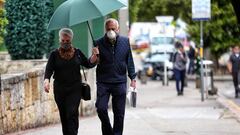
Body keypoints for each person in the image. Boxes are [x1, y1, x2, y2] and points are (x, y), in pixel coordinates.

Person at [43, 28, 99, 135]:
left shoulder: (77, 52)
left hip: (75, 89)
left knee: (71, 113)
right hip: (60, 90)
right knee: (64, 116)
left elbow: (88, 63)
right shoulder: (54, 54)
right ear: (60, 39)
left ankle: (73, 133)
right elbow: (49, 69)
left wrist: (95, 55)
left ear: (71, 40)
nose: (65, 43)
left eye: (67, 41)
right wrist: (46, 81)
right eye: (63, 40)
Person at [94, 18, 137, 135]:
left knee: (119, 113)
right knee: (101, 108)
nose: (111, 31)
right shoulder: (98, 43)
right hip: (103, 82)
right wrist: (95, 56)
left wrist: (133, 78)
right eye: (108, 29)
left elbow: (130, 61)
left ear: (118, 29)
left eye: (113, 29)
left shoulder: (125, 41)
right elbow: (93, 63)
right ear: (105, 30)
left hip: (120, 82)